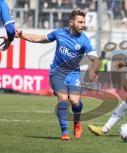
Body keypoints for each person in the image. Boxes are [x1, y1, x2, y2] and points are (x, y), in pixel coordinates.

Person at [15, 9, 100, 141]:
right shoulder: (59, 34)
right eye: (80, 22)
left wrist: (92, 70)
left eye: (84, 22)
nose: (83, 25)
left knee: (75, 101)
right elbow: (39, 38)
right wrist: (21, 34)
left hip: (73, 74)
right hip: (57, 73)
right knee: (63, 99)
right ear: (71, 22)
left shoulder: (84, 40)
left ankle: (77, 122)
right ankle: (64, 132)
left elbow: (95, 59)